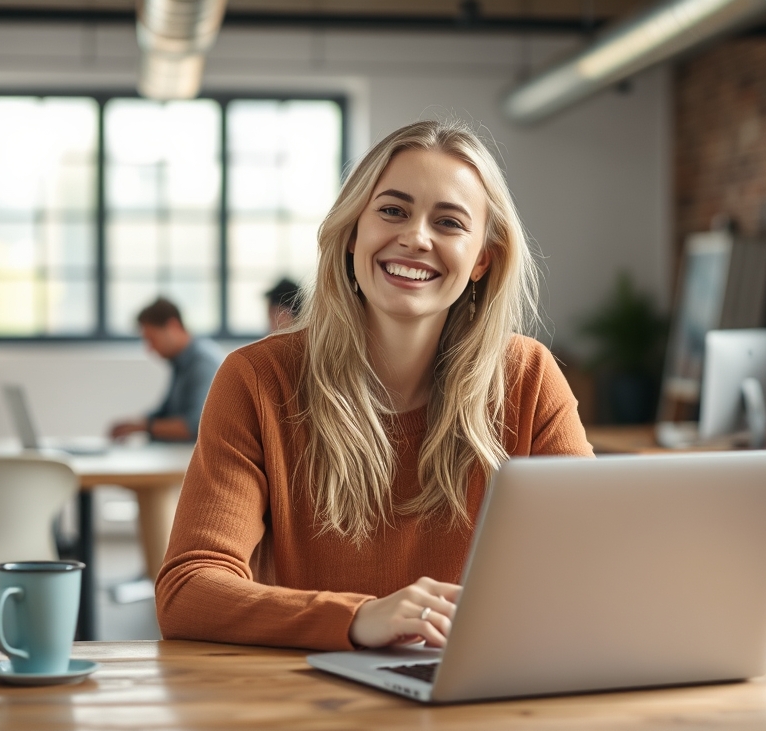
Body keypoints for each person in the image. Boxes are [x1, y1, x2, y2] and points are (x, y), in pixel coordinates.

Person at [154, 120, 593, 651]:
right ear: (352, 232)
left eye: (449, 222)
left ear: (482, 260)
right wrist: (358, 618)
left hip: (475, 693)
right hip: (309, 702)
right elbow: (188, 590)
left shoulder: (528, 377)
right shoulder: (257, 380)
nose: (415, 237)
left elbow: (589, 574)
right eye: (392, 210)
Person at [109, 298, 224, 443]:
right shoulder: (180, 361)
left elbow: (196, 426)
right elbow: (167, 412)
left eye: (152, 339)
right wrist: (135, 424)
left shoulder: (202, 363)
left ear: (173, 326)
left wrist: (145, 426)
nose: (150, 348)